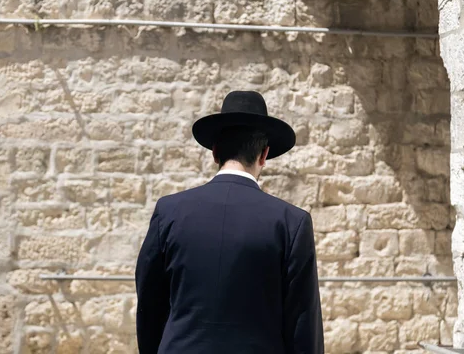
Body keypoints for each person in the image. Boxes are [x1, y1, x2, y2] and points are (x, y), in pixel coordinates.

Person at [135, 91, 324, 354]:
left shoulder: (169, 212)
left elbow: (149, 303)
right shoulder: (292, 222)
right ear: (264, 155)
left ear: (214, 152)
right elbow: (303, 323)